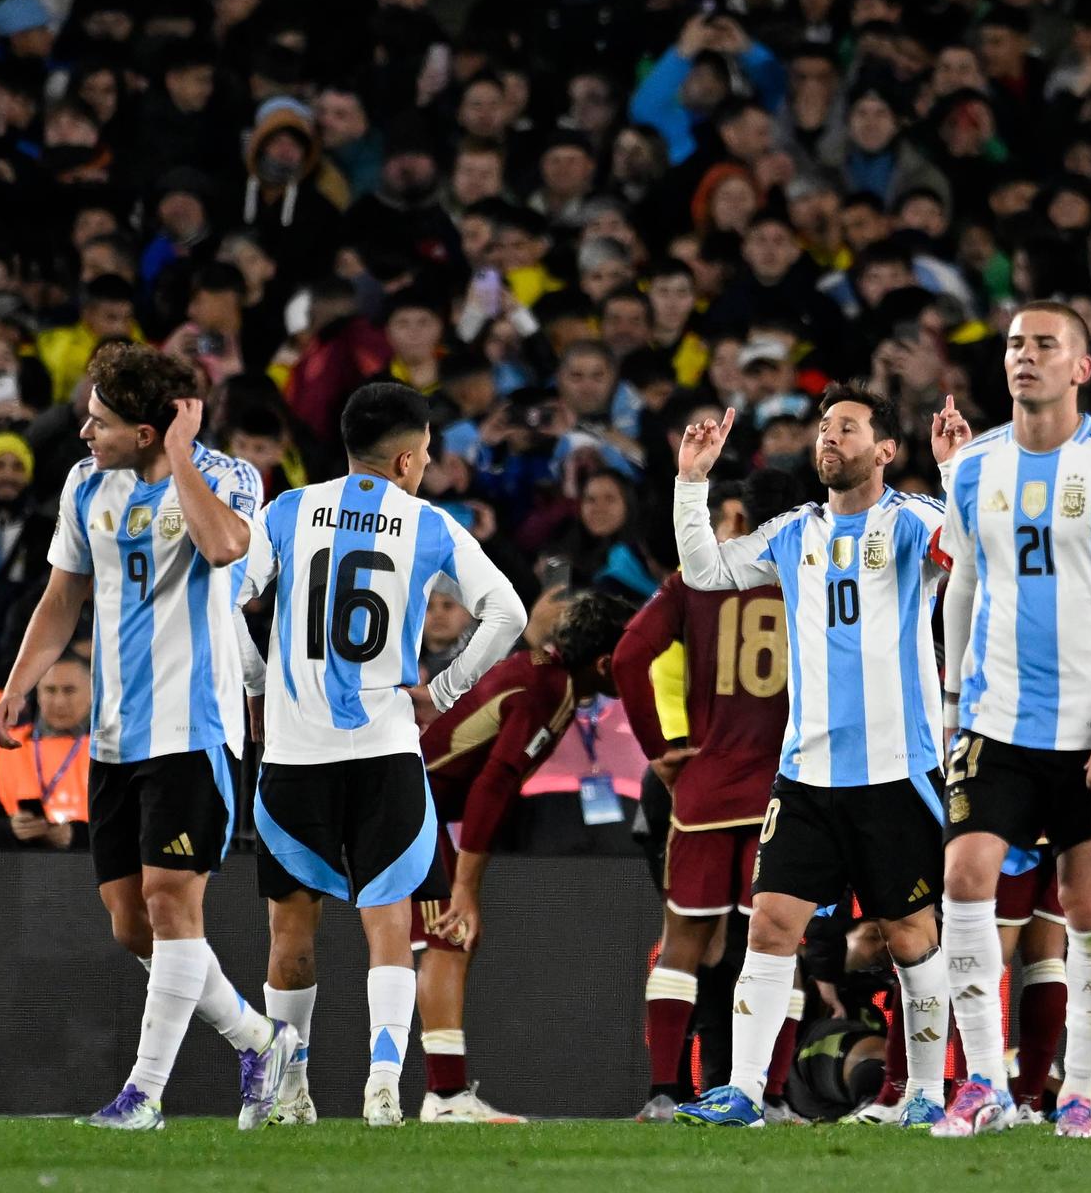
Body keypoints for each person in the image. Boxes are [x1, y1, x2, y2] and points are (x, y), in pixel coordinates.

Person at [0, 341, 296, 1131]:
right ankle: (261, 1041)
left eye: (100, 421)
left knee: (169, 903)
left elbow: (225, 548)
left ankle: (143, 1096)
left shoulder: (229, 477)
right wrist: (19, 684)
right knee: (131, 924)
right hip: (114, 735)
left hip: (195, 729)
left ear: (149, 430)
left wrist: (182, 455)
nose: (84, 432)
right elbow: (63, 597)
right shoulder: (85, 483)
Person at [669, 384, 972, 1130]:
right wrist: (691, 482)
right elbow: (705, 572)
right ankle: (744, 1092)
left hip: (895, 773)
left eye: (847, 428)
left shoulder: (913, 520)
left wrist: (957, 473)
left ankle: (925, 1092)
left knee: (910, 938)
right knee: (770, 925)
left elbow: (972, 556)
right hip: (805, 775)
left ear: (886, 450)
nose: (828, 438)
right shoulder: (792, 531)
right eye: (825, 428)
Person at [237, 381, 528, 1128]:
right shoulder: (428, 523)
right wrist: (446, 689)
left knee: (290, 931)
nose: (425, 467)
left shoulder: (287, 510)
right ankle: (383, 1086)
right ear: (404, 460)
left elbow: (224, 598)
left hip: (295, 754)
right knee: (389, 923)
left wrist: (258, 686)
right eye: (425, 455)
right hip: (385, 749)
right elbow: (509, 611)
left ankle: (291, 1091)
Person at [935, 301, 1091, 1140]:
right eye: (1016, 344)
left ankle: (1080, 1092)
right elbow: (964, 582)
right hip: (996, 721)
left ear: (1081, 367)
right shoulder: (974, 466)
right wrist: (951, 703)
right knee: (964, 878)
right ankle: (982, 1082)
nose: (1026, 356)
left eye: (1046, 345)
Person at [612, 469, 800, 1124]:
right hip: (787, 789)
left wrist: (660, 749)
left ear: (740, 518)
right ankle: (774, 1097)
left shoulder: (696, 579)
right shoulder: (812, 575)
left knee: (683, 944)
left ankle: (664, 1092)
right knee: (783, 945)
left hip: (706, 788)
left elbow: (629, 657)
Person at [408, 591, 638, 1125]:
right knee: (448, 937)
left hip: (414, 800)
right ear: (605, 663)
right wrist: (466, 888)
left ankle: (438, 1091)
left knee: (439, 942)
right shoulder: (551, 691)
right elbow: (494, 782)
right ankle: (444, 1096)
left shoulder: (542, 673)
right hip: (412, 803)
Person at [0, 651, 91, 851]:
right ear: (37, 694)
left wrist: (79, 836)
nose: (59, 702)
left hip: (91, 864)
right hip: (23, 864)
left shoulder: (113, 747)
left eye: (69, 690)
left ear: (93, 692)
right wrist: (11, 829)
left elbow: (133, 825)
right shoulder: (10, 745)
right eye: (50, 690)